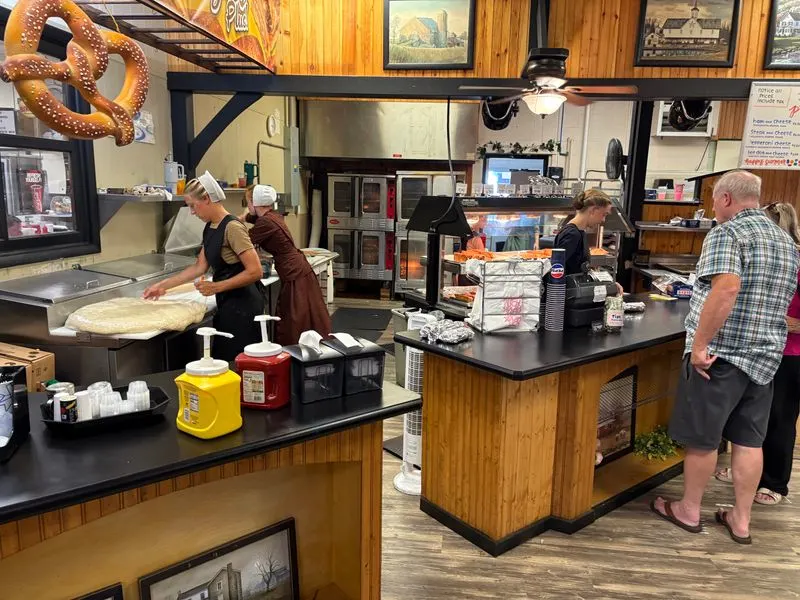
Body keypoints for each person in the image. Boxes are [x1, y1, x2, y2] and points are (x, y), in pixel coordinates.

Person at [651, 170, 799, 545]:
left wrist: (700, 346)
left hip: (722, 355)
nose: (713, 206)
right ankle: (741, 519)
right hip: (766, 357)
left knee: (702, 439)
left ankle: (688, 510)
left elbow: (727, 288)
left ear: (728, 199)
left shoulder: (728, 232)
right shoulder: (785, 241)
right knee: (749, 441)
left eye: (715, 199)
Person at [714, 202, 800, 506]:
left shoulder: (795, 259)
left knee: (779, 419)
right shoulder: (765, 258)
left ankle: (774, 482)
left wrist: (795, 324)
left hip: (790, 355)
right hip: (760, 347)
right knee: (748, 418)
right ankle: (746, 471)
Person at [143, 171, 264, 360]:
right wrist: (162, 286)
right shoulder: (210, 227)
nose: (192, 212)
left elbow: (255, 271)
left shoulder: (232, 228)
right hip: (228, 303)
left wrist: (216, 287)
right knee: (226, 359)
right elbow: (199, 267)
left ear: (206, 198)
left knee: (238, 361)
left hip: (244, 306)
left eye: (193, 206)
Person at [241, 184, 331, 346]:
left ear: (255, 203)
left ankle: (295, 353)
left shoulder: (265, 223)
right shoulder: (273, 216)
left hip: (293, 272)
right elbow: (254, 218)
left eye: (248, 202)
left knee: (294, 319)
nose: (247, 207)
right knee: (308, 315)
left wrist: (234, 223)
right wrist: (244, 218)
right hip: (298, 268)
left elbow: (242, 241)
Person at [554, 189, 623, 293]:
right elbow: (558, 272)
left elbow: (580, 270)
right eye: (604, 214)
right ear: (593, 210)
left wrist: (607, 283)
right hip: (567, 299)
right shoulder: (572, 234)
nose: (603, 220)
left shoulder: (579, 232)